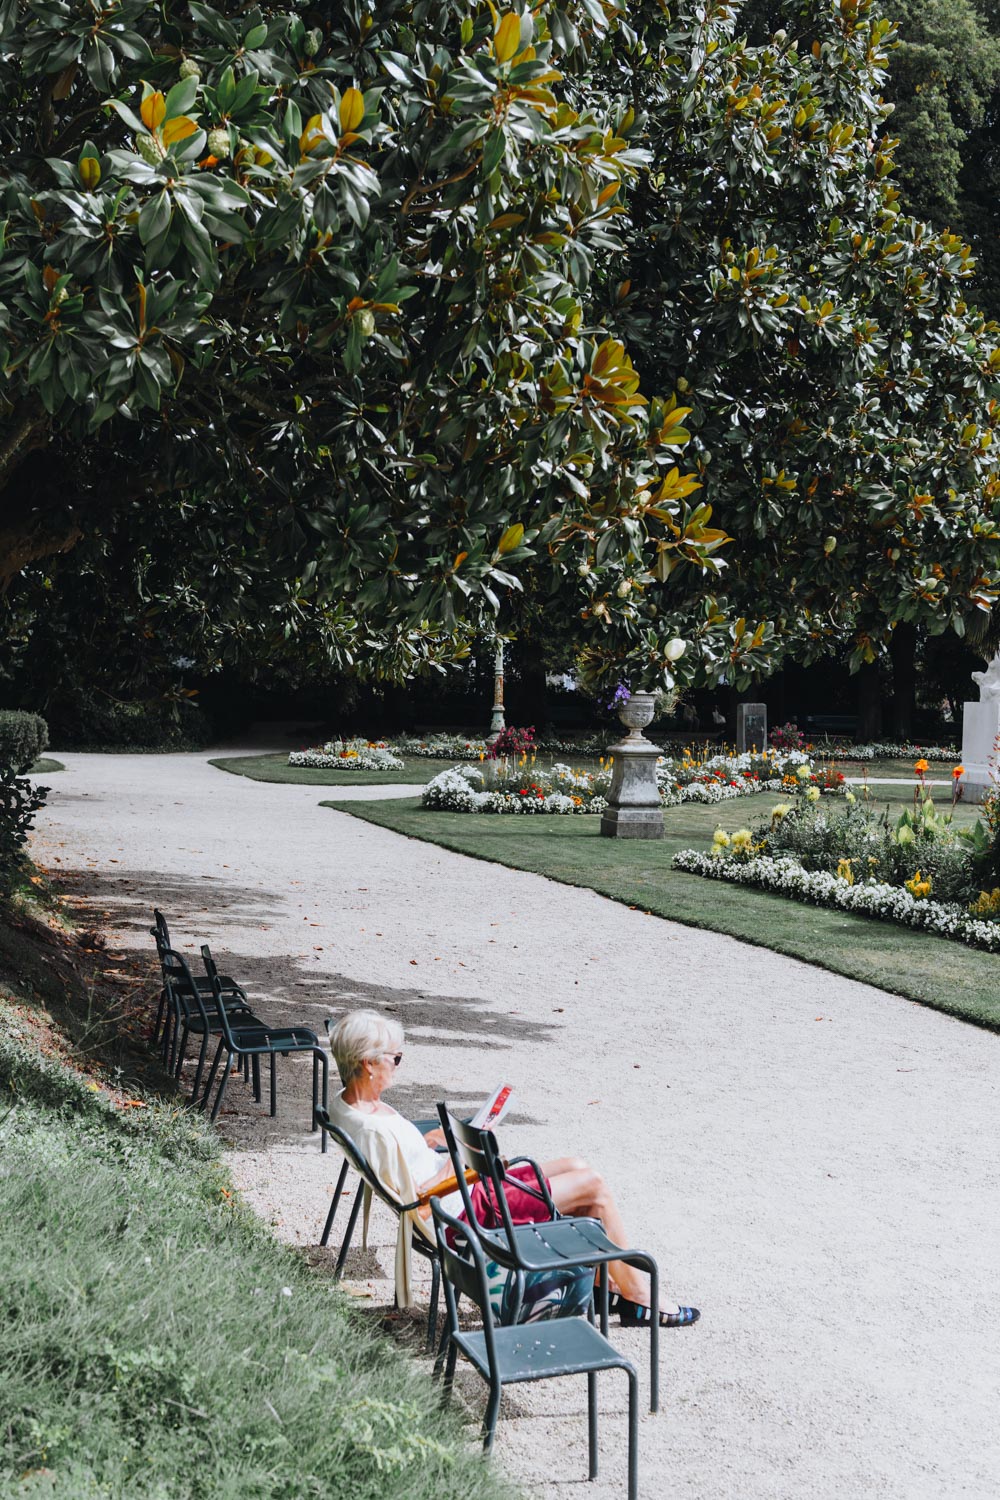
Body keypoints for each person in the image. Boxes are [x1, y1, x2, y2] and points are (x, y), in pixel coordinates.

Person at [326, 1009, 699, 1328]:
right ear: (368, 1063)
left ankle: (611, 1283)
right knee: (594, 1188)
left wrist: (432, 1143)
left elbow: (400, 1168)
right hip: (467, 1210)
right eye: (395, 1058)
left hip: (463, 1191)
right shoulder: (374, 1128)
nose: (398, 1065)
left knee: (576, 1165)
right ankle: (636, 1294)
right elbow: (420, 1203)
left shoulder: (350, 1107)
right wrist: (466, 1163)